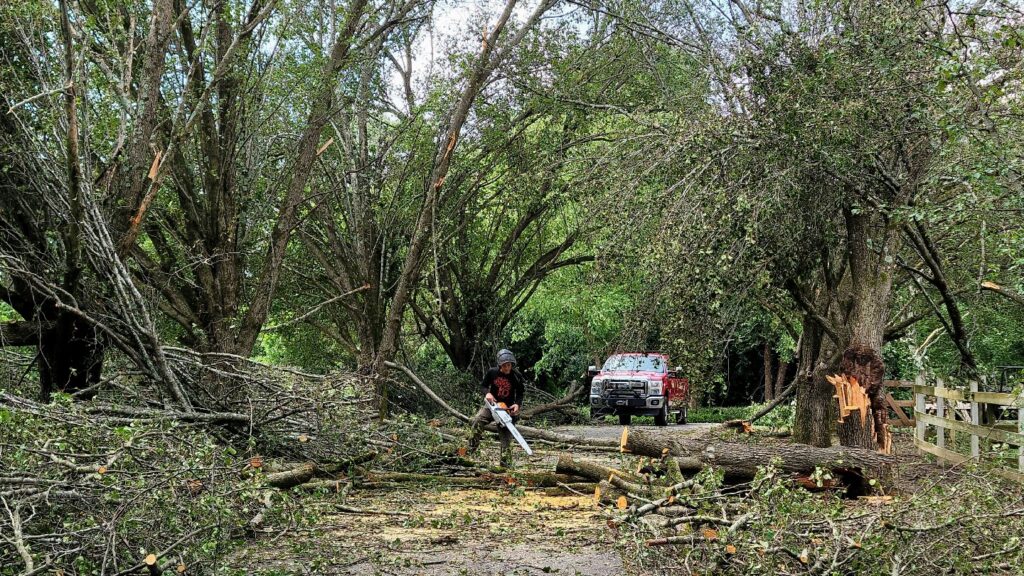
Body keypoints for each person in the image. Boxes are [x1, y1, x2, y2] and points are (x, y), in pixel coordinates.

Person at [467, 349, 525, 466]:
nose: (507, 368)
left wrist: (517, 404)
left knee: (506, 440)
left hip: (506, 409)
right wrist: (487, 393)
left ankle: (505, 466)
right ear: (500, 365)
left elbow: (520, 393)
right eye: (504, 365)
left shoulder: (516, 376)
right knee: (478, 421)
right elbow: (483, 386)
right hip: (492, 405)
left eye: (509, 365)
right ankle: (470, 451)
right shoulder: (492, 372)